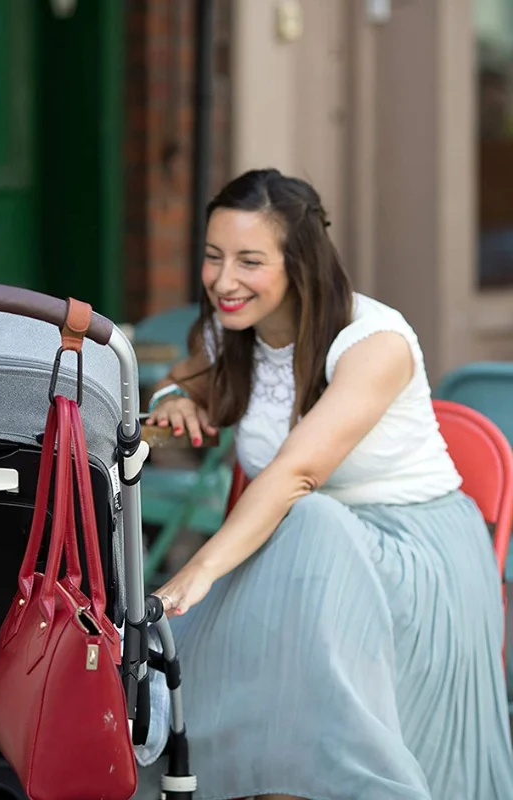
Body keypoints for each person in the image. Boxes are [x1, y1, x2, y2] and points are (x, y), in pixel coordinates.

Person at [138, 168, 513, 800]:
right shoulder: (225, 335)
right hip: (297, 562)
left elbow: (297, 475)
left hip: (413, 562)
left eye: (249, 261)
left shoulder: (374, 340)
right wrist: (176, 401)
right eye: (213, 257)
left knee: (309, 520)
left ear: (300, 264)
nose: (224, 281)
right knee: (298, 540)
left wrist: (198, 573)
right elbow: (179, 394)